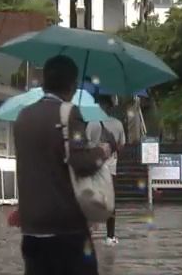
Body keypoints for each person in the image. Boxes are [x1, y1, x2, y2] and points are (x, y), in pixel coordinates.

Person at [14, 55, 111, 275]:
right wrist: (102, 151)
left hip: (32, 230)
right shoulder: (70, 114)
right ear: (72, 84)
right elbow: (81, 162)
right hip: (67, 229)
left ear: (44, 82)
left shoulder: (23, 117)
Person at [86, 94, 124, 246]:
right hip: (111, 168)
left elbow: (86, 145)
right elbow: (122, 145)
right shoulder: (118, 124)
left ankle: (89, 230)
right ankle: (110, 236)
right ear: (110, 107)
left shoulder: (91, 123)